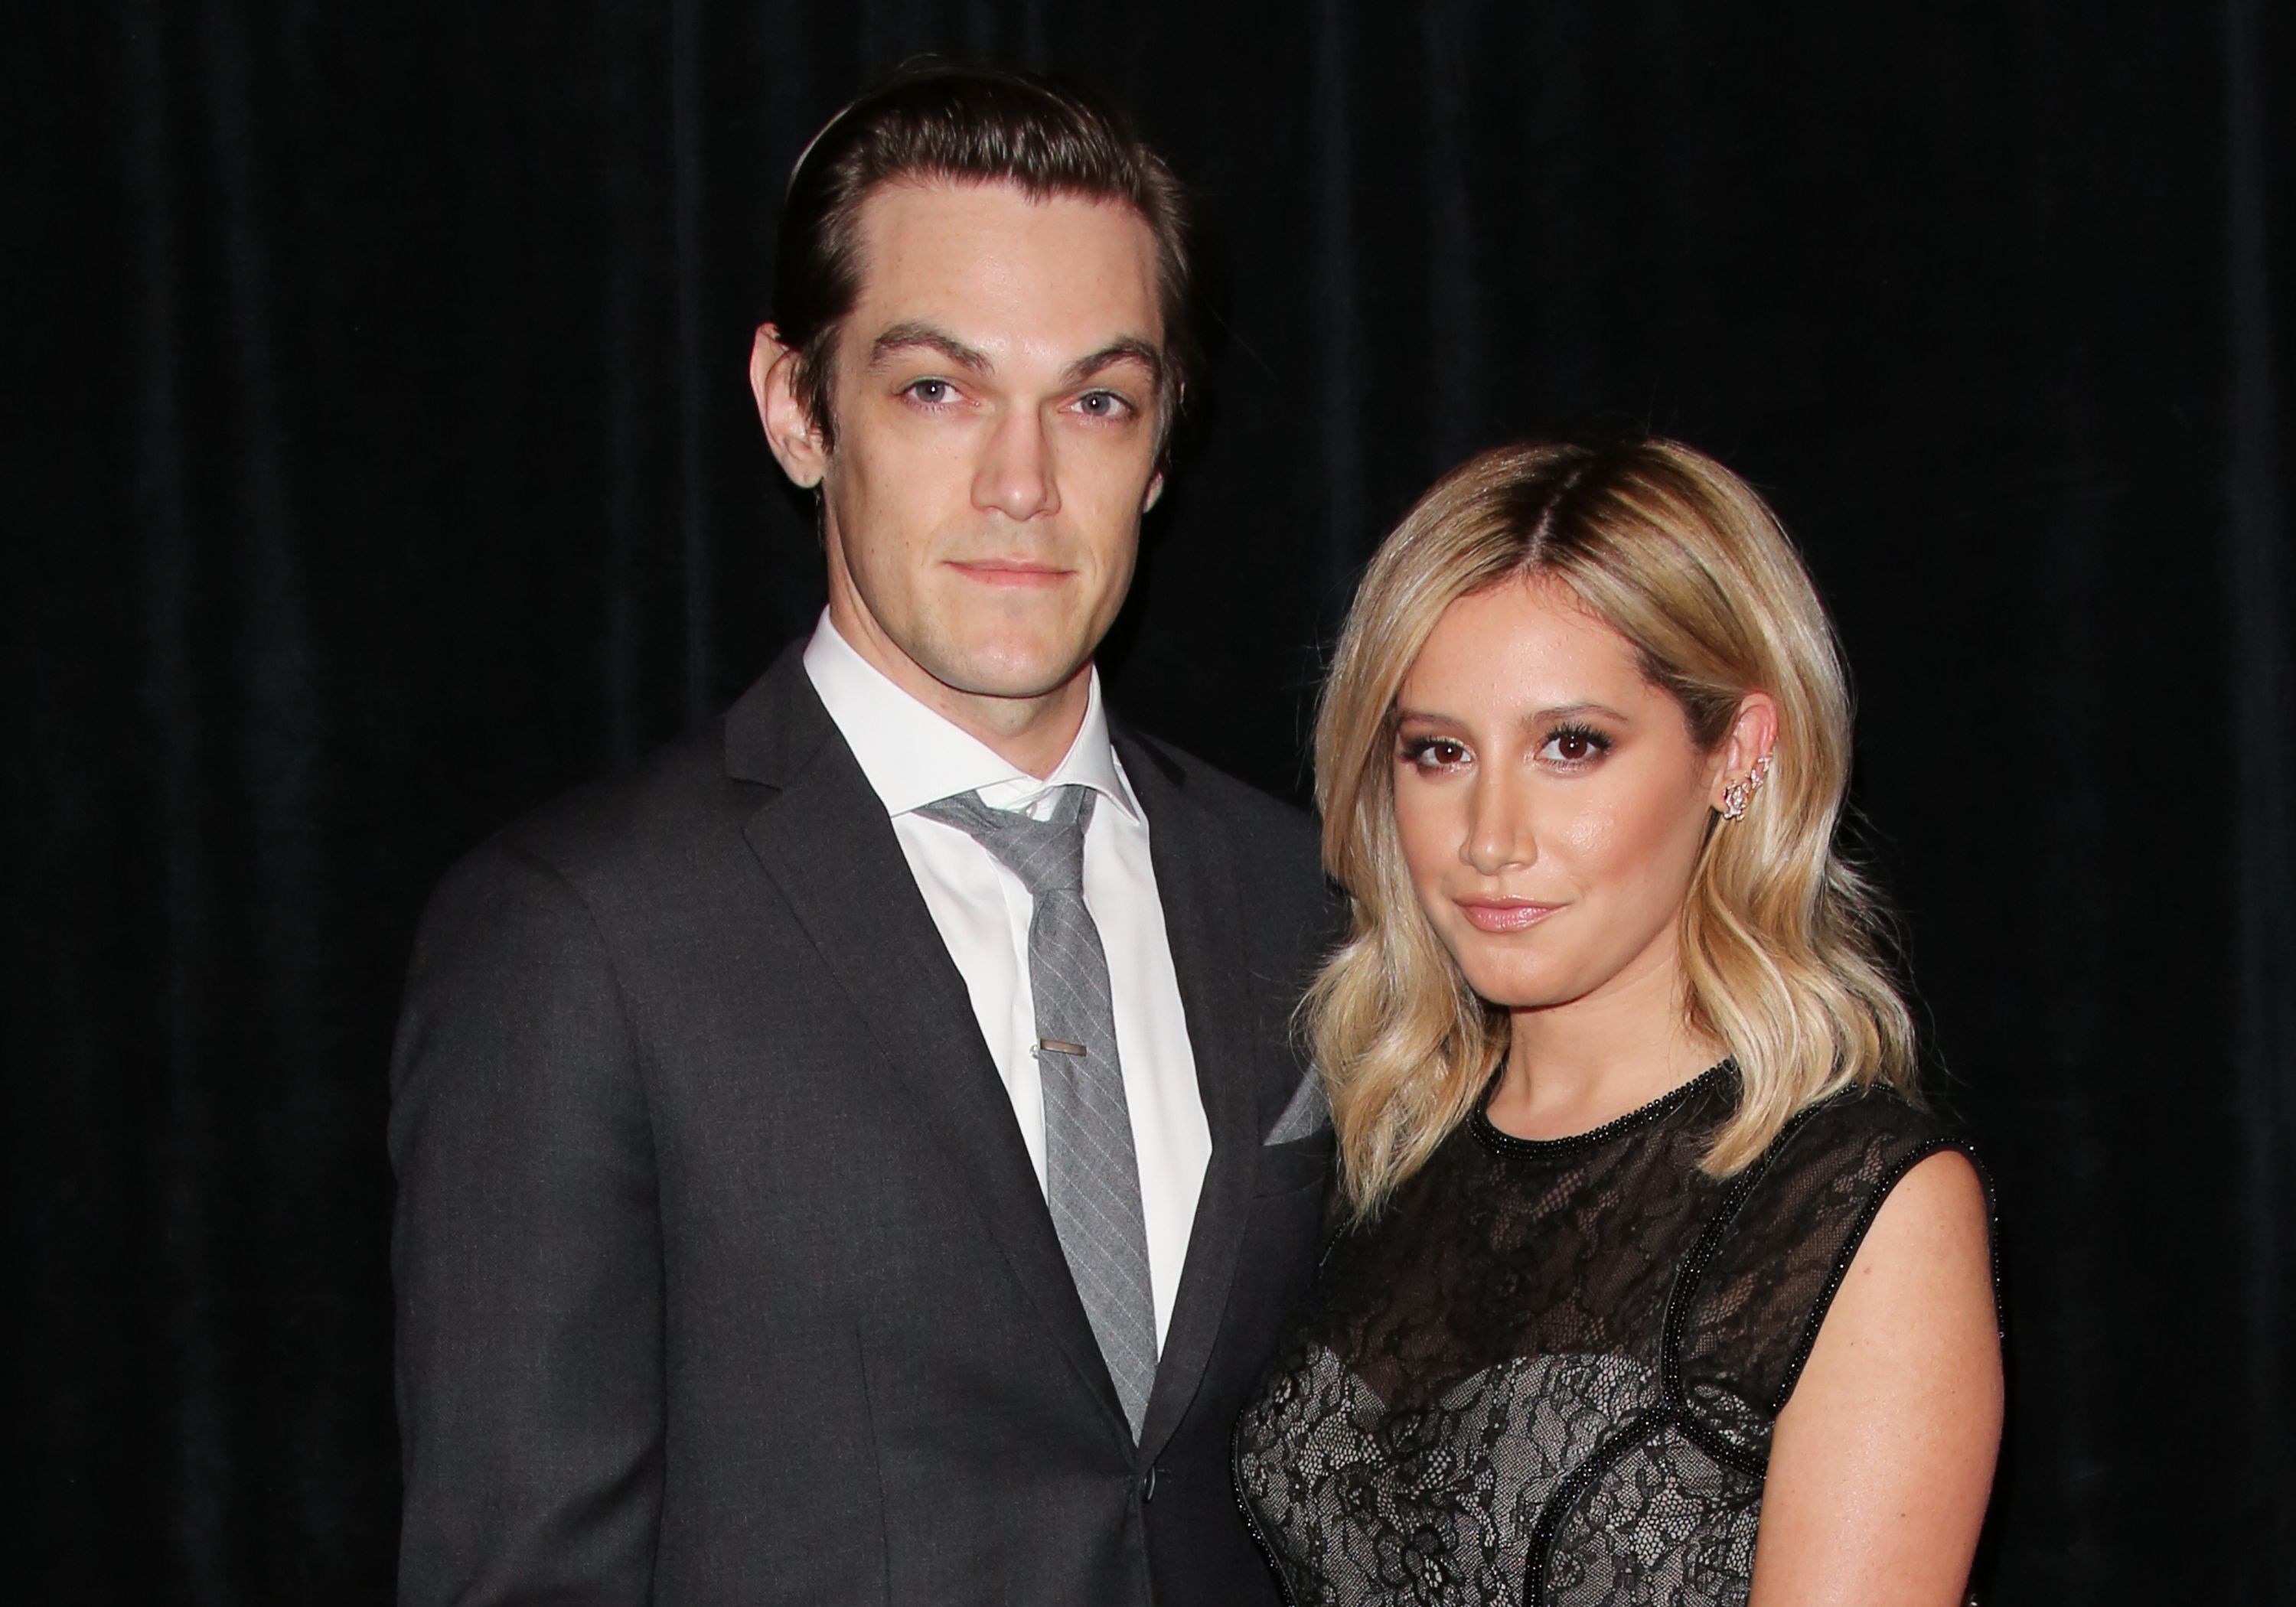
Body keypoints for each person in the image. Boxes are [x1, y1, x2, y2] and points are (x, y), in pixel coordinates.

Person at [390, 63, 1334, 1607]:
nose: (1022, 485)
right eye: (937, 390)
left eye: (1095, 401)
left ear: (1162, 448)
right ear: (796, 406)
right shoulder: (579, 935)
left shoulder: (1302, 897)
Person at [1234, 438, 2004, 1606]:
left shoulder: (1857, 1203)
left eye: (1571, 746)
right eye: (1438, 753)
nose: (1491, 834)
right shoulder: (1383, 1144)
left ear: (1737, 753)